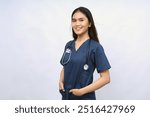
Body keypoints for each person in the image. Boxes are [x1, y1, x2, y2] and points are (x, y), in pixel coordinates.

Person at [59, 7, 111, 100]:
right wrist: (60, 81)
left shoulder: (96, 48)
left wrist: (81, 91)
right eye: (74, 20)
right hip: (66, 97)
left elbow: (106, 78)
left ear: (89, 23)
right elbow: (65, 66)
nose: (77, 24)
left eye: (81, 20)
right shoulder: (69, 45)